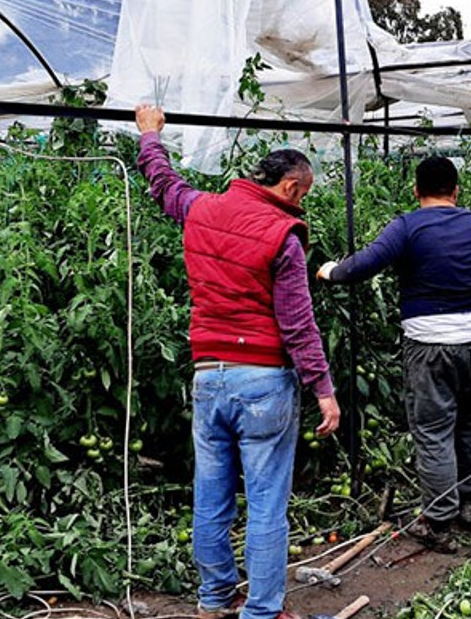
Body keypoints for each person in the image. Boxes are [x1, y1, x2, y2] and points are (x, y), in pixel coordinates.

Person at [134, 105, 340, 619]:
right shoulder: (283, 234)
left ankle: (213, 600)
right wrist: (323, 389)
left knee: (211, 497)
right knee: (267, 503)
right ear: (292, 188)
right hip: (264, 382)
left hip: (209, 378)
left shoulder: (201, 208)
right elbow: (296, 323)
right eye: (304, 196)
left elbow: (164, 185)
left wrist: (149, 136)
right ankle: (262, 611)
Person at [316, 156, 471, 551]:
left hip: (430, 342)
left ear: (416, 190)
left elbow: (359, 268)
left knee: (434, 430)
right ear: (456, 190)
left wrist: (330, 271)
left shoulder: (407, 226)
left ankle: (438, 521)